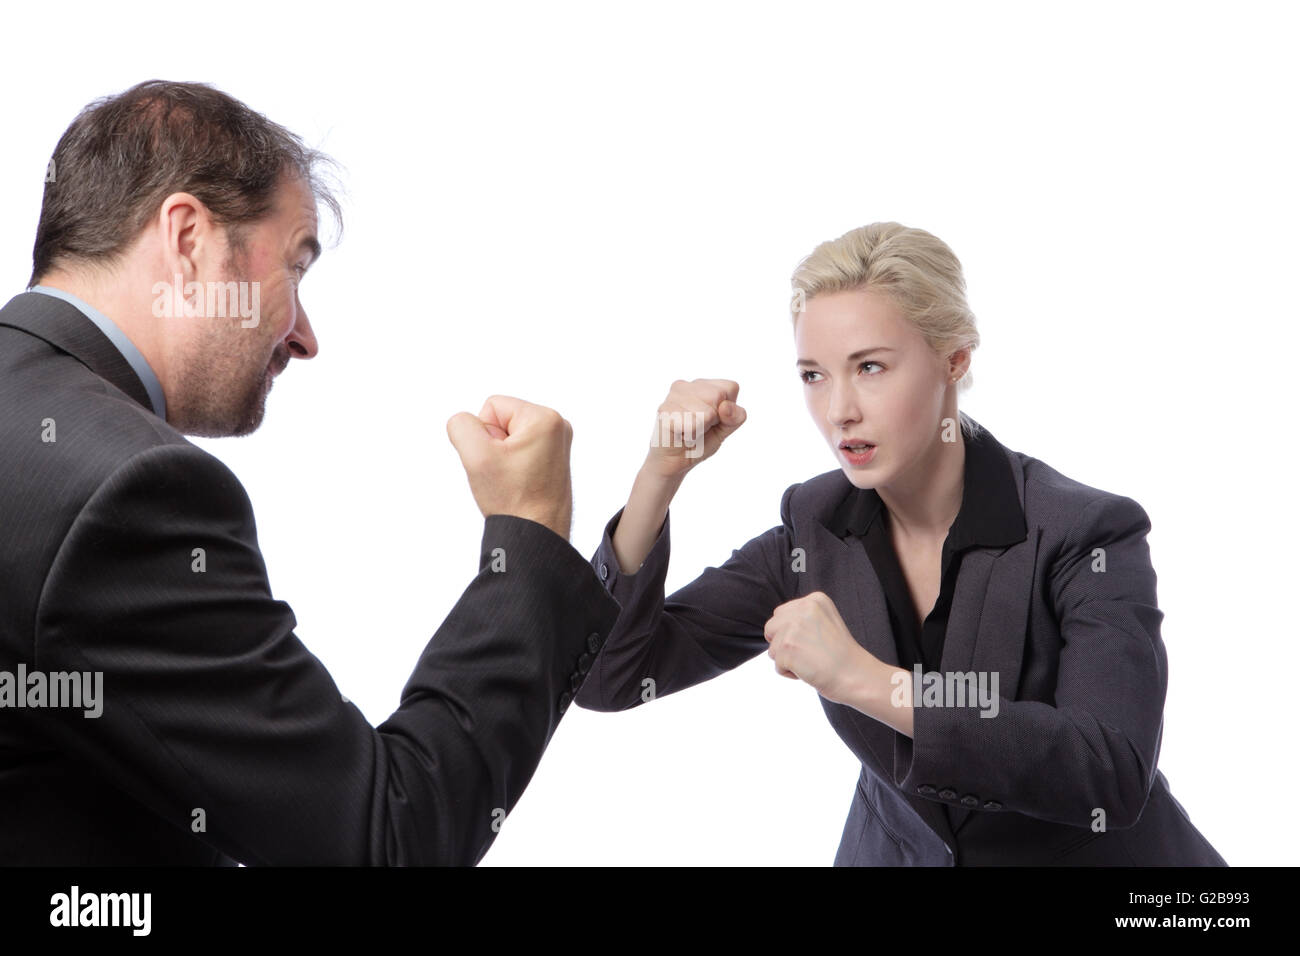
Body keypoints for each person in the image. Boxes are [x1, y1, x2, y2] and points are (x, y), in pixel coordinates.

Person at [0, 80, 619, 865]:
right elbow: (383, 842)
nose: (304, 337)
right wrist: (527, 541)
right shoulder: (128, 493)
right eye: (294, 269)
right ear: (188, 240)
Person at [574, 222, 1227, 866]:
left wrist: (868, 681)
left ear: (954, 359)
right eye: (813, 375)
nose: (839, 411)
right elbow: (610, 677)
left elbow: (1110, 773)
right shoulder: (816, 530)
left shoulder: (1085, 534)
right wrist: (658, 479)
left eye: (870, 367)